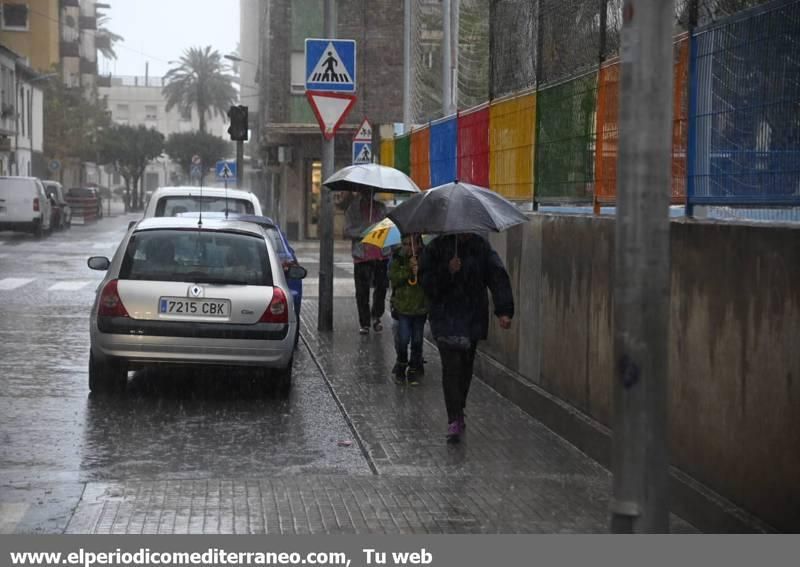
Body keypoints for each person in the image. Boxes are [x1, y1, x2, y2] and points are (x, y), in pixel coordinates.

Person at [420, 232, 514, 443]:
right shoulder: (435, 248)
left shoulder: (480, 247)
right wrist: (447, 271)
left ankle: (459, 406)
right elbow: (426, 284)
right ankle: (454, 417)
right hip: (444, 317)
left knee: (465, 367)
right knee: (451, 367)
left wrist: (504, 309)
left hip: (472, 317)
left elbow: (497, 275)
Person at [343, 192, 390, 335]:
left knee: (381, 288)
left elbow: (388, 228)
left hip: (381, 255)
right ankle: (364, 323)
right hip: (362, 257)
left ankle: (376, 315)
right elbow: (347, 231)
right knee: (362, 291)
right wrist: (364, 231)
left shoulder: (382, 208)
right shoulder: (353, 210)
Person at [388, 234, 427, 385]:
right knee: (403, 339)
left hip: (420, 308)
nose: (408, 248)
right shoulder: (398, 257)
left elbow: (430, 280)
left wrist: (420, 271)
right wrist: (408, 271)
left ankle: (414, 368)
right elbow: (393, 277)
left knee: (417, 341)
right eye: (404, 244)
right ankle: (401, 363)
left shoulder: (424, 258)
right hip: (403, 309)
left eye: (411, 244)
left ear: (418, 245)